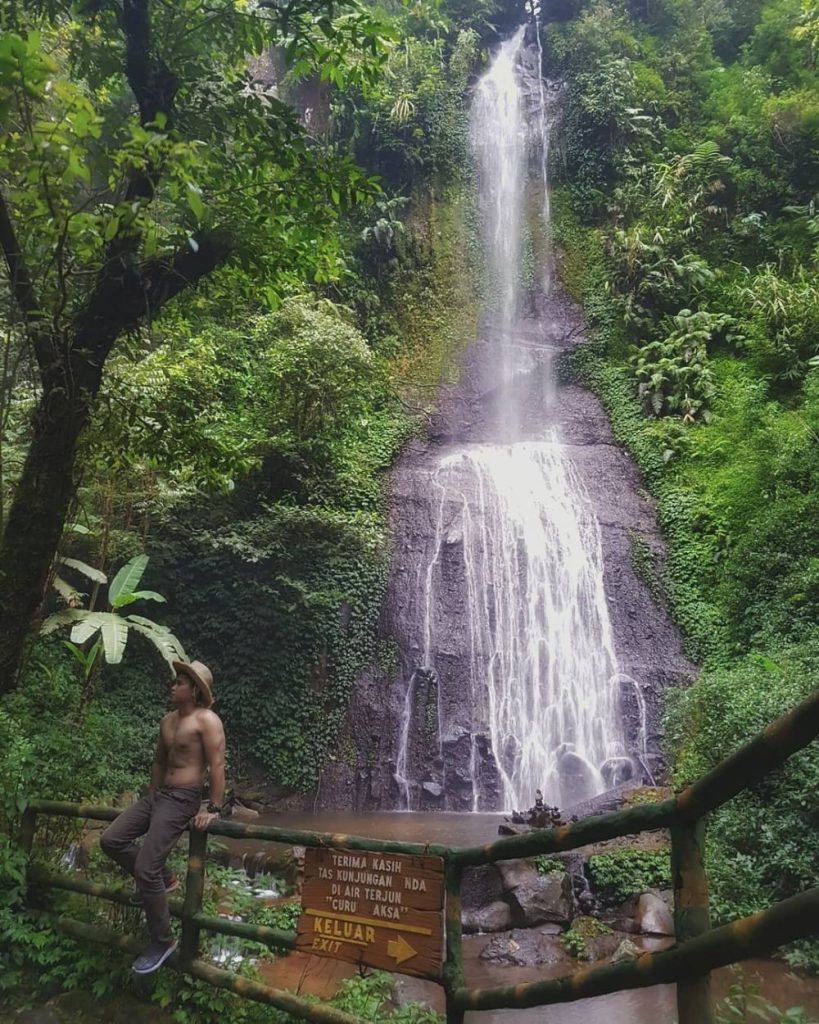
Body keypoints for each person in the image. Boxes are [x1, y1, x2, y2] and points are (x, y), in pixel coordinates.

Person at [100, 660, 226, 975]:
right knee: (111, 839)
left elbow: (218, 764)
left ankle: (163, 941)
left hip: (184, 799)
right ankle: (164, 879)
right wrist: (151, 795)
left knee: (145, 867)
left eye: (180, 682)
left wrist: (212, 808)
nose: (173, 686)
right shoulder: (167, 721)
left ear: (195, 690)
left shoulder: (206, 720)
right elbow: (159, 760)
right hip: (159, 796)